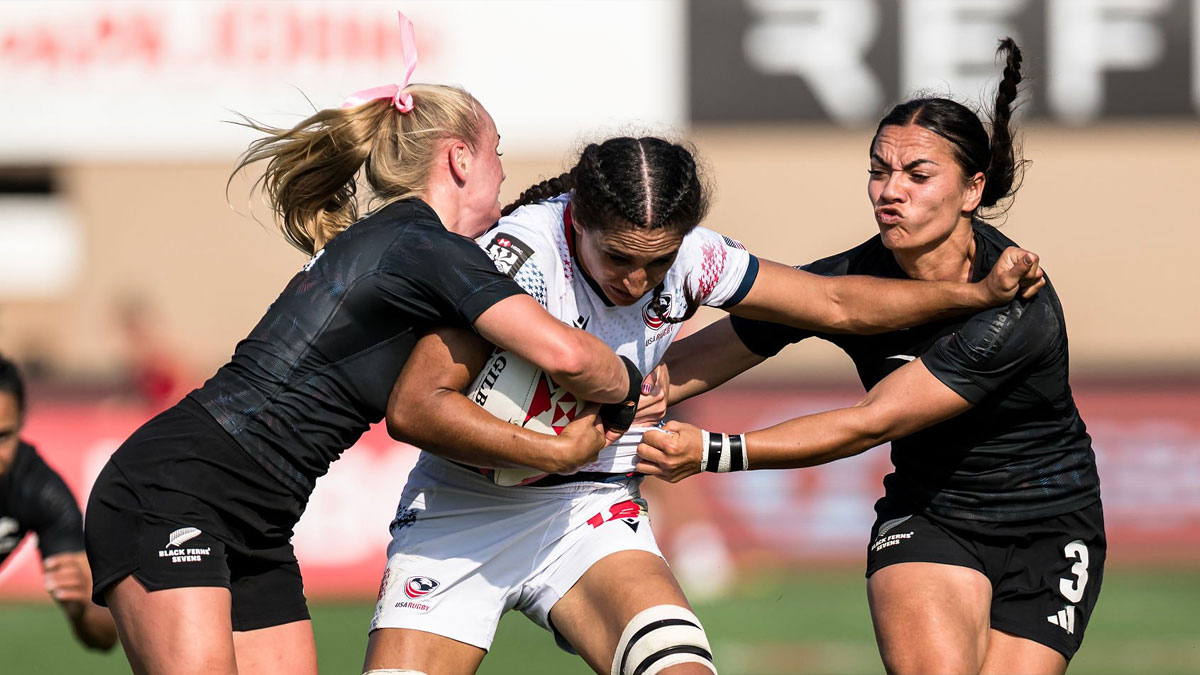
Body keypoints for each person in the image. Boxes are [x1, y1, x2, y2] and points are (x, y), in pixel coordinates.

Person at [83, 14, 643, 675]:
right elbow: (570, 355)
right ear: (459, 158)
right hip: (179, 489)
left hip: (258, 523)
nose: (502, 169)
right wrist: (636, 381)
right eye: (496, 150)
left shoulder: (410, 240)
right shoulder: (427, 245)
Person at [363, 133, 1044, 675]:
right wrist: (552, 448)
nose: (638, 280)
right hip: (461, 515)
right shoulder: (520, 258)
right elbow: (417, 408)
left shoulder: (693, 255)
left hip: (586, 511)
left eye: (656, 264)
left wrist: (972, 295)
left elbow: (833, 301)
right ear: (579, 221)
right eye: (620, 258)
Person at [639, 39, 1103, 674]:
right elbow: (735, 340)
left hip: (1052, 524)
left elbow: (870, 421)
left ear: (972, 189)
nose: (890, 191)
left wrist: (713, 452)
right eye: (878, 171)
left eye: (917, 175)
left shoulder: (1015, 308)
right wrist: (626, 386)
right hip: (930, 516)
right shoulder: (851, 280)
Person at [0, 355, 117, 652]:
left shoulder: (41, 491)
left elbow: (104, 637)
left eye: (2, 437)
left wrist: (81, 608)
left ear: (22, 422)